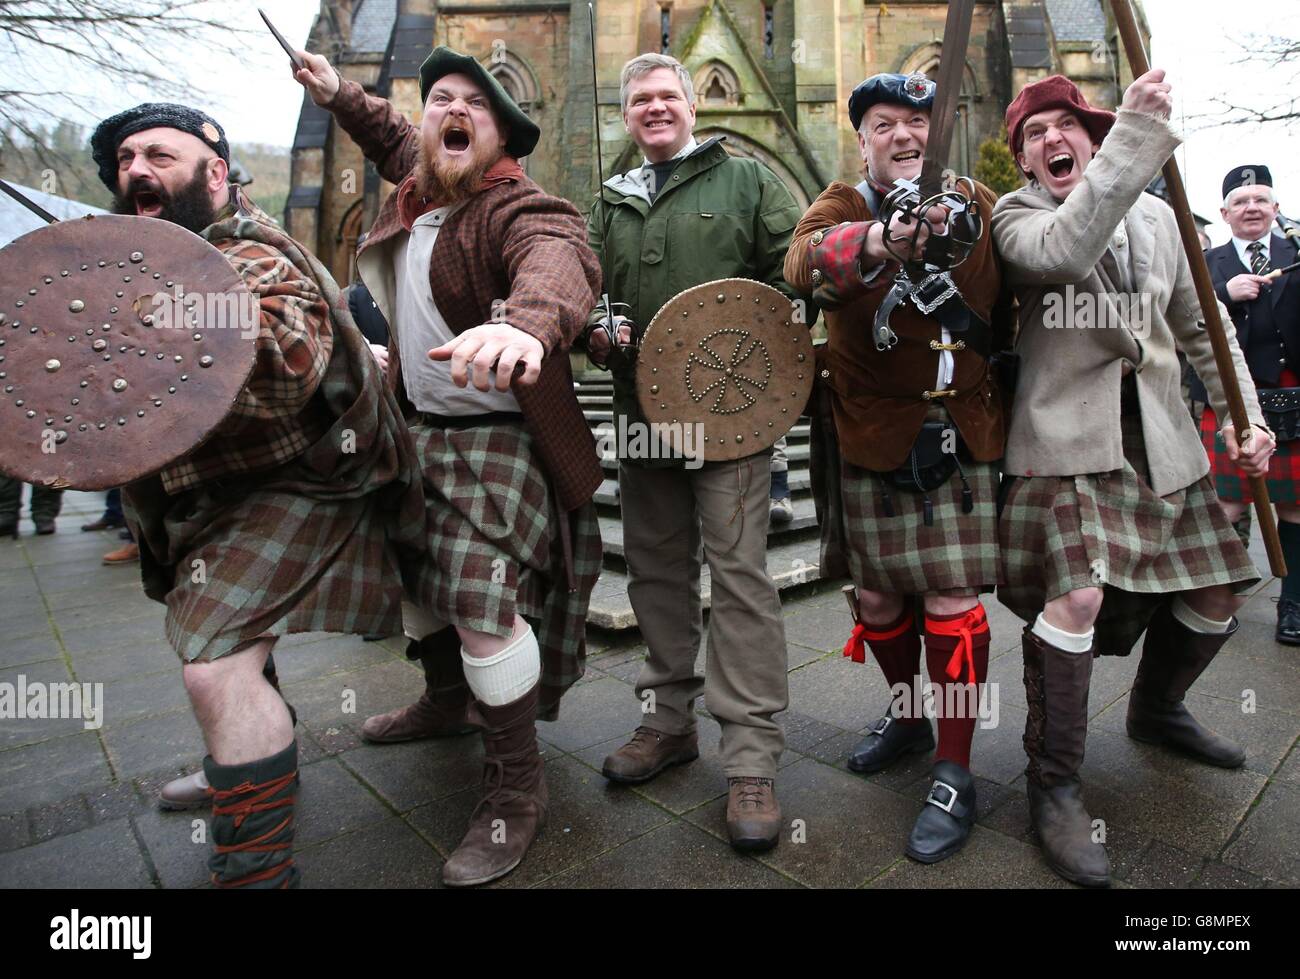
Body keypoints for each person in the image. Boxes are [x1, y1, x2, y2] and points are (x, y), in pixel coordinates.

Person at [89, 102, 423, 887]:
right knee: (217, 638)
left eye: (160, 156)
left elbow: (282, 365)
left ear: (214, 173)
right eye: (127, 158)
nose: (136, 170)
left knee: (216, 664)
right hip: (202, 495)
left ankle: (255, 869)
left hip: (310, 476)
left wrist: (153, 322)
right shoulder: (127, 266)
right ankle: (249, 759)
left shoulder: (252, 254)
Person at [295, 45, 603, 886]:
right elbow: (393, 133)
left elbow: (558, 261)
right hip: (412, 426)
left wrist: (528, 326)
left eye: (473, 103)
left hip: (497, 435)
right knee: (413, 578)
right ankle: (443, 701)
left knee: (476, 598)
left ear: (500, 135)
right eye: (439, 99)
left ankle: (516, 787)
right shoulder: (420, 179)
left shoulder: (524, 206)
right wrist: (338, 93)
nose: (449, 110)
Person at [992, 73, 1274, 887]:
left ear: (1090, 134)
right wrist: (1137, 142)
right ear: (1022, 160)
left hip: (1160, 445)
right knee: (1075, 598)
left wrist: (1244, 418)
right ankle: (1055, 784)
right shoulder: (1017, 220)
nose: (1050, 140)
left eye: (1065, 125)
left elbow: (1205, 328)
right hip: (1064, 444)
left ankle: (1155, 709)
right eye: (1032, 134)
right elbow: (1067, 249)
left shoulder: (1161, 217)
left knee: (1221, 590)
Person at [784, 72, 1006, 862]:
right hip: (871, 430)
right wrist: (882, 239)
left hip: (960, 427)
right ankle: (909, 711)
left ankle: (954, 767)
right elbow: (803, 264)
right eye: (887, 123)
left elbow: (1021, 258)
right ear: (864, 138)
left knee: (948, 594)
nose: (905, 135)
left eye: (919, 121)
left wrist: (946, 225)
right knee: (877, 594)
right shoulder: (840, 203)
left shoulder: (979, 201)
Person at [582, 52, 800, 852]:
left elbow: (793, 282)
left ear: (692, 105)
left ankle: (750, 759)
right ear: (627, 112)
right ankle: (667, 722)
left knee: (740, 579)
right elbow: (582, 298)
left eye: (667, 95)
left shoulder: (747, 182)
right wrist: (592, 330)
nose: (655, 108)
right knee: (655, 570)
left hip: (732, 425)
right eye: (639, 99)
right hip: (641, 419)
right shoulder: (605, 200)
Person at [1195, 165, 1300, 644]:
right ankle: (1220, 601)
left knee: (1296, 508)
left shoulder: (1297, 254)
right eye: (1240, 201)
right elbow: (1185, 318)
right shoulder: (1207, 264)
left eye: (1260, 199)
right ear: (1224, 213)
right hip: (1230, 397)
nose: (1251, 208)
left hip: (1292, 395)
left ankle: (1293, 604)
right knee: (1226, 506)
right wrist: (1225, 294)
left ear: (1275, 208)